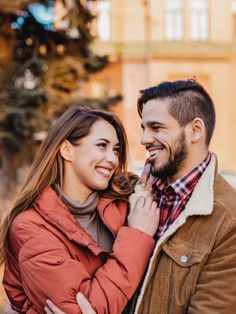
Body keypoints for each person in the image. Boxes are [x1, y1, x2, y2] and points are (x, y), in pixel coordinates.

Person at [45, 79, 236, 314]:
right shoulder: (127, 192)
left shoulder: (228, 221)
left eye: (156, 128)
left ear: (195, 130)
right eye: (144, 128)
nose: (144, 139)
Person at [0, 107, 160, 313]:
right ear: (66, 150)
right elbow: (81, 307)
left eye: (116, 149)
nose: (112, 159)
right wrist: (138, 237)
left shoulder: (127, 201)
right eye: (102, 146)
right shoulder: (30, 228)